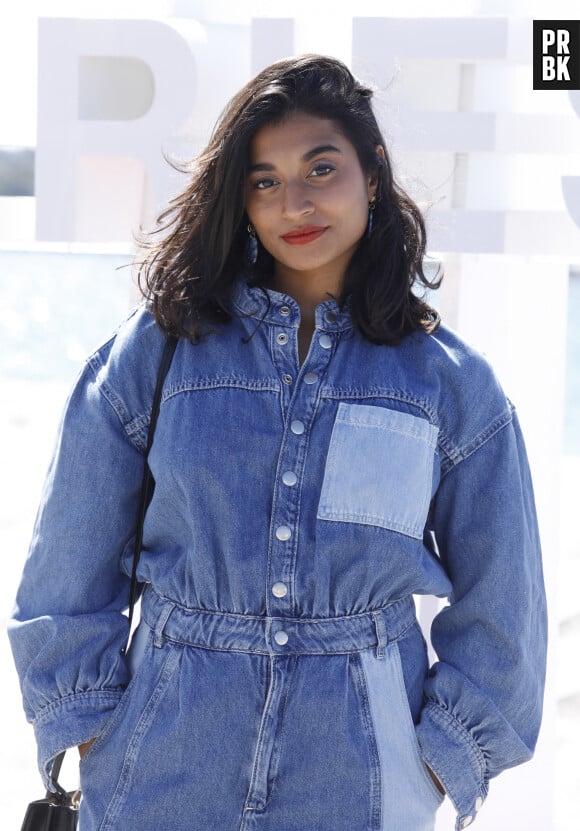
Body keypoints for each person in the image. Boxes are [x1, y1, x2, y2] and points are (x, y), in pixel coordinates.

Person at [8, 54, 546, 831]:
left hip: (360, 776)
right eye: (264, 180)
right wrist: (90, 722)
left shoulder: (450, 385)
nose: (293, 201)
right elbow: (65, 559)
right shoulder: (160, 353)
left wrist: (435, 759)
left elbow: (508, 608)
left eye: (319, 168)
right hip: (163, 762)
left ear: (373, 172)